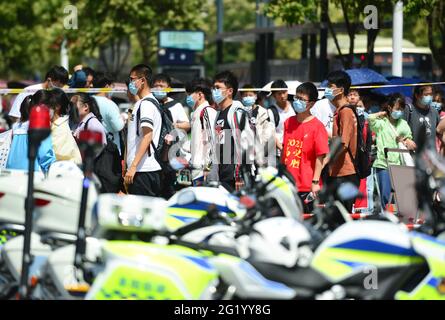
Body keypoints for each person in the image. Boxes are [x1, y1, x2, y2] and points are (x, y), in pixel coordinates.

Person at [282, 82, 329, 213]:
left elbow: (321, 157)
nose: (297, 102)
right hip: (288, 185)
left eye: (302, 99)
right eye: (296, 98)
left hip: (307, 186)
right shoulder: (288, 122)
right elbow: (284, 151)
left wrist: (315, 183)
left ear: (312, 103)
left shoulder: (317, 127)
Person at [369, 93, 416, 209]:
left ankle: (401, 221)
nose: (399, 111)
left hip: (400, 164)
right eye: (397, 108)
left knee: (402, 198)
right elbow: (370, 119)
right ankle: (387, 218)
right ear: (390, 108)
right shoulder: (381, 123)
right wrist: (381, 113)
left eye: (401, 109)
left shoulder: (404, 124)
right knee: (385, 196)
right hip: (383, 163)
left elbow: (411, 143)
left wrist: (405, 141)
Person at [210, 71, 254, 192]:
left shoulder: (237, 112)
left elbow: (246, 145)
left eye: (218, 88)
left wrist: (240, 175)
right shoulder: (218, 114)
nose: (214, 91)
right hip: (222, 175)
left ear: (230, 91)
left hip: (235, 177)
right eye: (213, 88)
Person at [325, 70, 360, 212]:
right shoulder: (340, 110)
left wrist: (326, 159)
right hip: (339, 171)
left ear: (341, 90)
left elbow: (343, 143)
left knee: (342, 215)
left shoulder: (345, 112)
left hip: (345, 172)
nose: (328, 89)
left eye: (330, 86)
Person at [124, 64, 162, 196]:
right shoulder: (142, 103)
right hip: (140, 170)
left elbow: (147, 136)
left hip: (144, 170)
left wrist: (133, 166)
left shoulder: (146, 104)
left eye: (132, 79)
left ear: (143, 80)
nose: (131, 83)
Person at [6, 92, 56, 173]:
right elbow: (45, 155)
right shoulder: (41, 126)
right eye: (52, 107)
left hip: (11, 173)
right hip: (32, 175)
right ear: (44, 108)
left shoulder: (17, 125)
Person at [185, 78, 217, 185]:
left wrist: (208, 168)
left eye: (189, 94)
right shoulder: (195, 113)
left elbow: (213, 143)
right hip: (195, 170)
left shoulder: (207, 112)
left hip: (203, 172)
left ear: (199, 95)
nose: (187, 98)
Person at [240, 84, 275, 168]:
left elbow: (268, 133)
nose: (248, 97)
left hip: (259, 153)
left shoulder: (264, 112)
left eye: (250, 95)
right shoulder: (239, 112)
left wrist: (259, 148)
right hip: (244, 153)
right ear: (241, 97)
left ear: (255, 96)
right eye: (245, 95)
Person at [93, 72, 125, 155]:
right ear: (107, 86)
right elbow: (118, 126)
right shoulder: (109, 104)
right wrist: (124, 118)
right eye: (112, 86)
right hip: (109, 150)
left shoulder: (88, 101)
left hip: (91, 147)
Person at [48, 89, 82, 164]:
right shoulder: (54, 125)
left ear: (57, 107)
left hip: (67, 171)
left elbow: (55, 155)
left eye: (47, 105)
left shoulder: (60, 128)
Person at [404, 85, 440, 151]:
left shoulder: (434, 111)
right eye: (426, 94)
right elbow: (398, 130)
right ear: (417, 95)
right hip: (414, 155)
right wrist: (406, 139)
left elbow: (439, 131)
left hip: (431, 155)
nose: (429, 97)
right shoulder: (408, 110)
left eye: (431, 94)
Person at [267, 80, 296, 163]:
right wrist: (282, 149)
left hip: (294, 150)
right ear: (274, 95)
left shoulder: (295, 107)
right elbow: (272, 133)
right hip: (278, 153)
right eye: (279, 94)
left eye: (284, 92)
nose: (282, 96)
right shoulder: (271, 111)